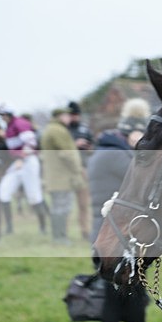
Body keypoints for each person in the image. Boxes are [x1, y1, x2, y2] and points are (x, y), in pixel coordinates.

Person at [88, 98, 162, 322]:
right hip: (113, 234)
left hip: (122, 233)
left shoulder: (113, 150)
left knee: (135, 294)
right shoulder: (115, 154)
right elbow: (144, 180)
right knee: (114, 295)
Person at [0, 106, 49, 234]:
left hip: (28, 161)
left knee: (34, 196)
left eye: (3, 114)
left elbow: (31, 143)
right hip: (18, 163)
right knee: (4, 192)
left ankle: (43, 228)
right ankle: (9, 228)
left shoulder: (20, 123)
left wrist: (22, 157)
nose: (2, 117)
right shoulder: (8, 126)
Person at [40, 108, 86, 245]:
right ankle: (61, 238)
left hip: (54, 176)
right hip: (62, 176)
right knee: (62, 208)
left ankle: (58, 237)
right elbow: (68, 154)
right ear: (60, 116)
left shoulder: (50, 129)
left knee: (57, 208)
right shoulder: (58, 130)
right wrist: (77, 169)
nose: (69, 118)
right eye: (67, 115)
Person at [67, 101, 93, 240]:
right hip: (68, 170)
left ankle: (85, 231)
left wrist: (88, 147)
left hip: (83, 168)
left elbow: (93, 147)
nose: (74, 118)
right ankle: (63, 232)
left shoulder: (85, 129)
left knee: (84, 204)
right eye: (71, 115)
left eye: (76, 115)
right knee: (66, 203)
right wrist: (74, 145)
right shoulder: (64, 130)